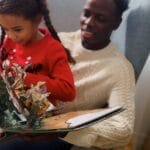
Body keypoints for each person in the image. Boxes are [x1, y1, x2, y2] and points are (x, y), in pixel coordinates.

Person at [0, 0, 135, 150]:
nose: (88, 22)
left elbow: (124, 130)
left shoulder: (120, 70)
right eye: (86, 14)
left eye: (101, 18)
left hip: (55, 134)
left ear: (117, 23)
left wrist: (64, 130)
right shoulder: (55, 39)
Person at [0, 0, 75, 107]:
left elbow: (68, 92)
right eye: (5, 29)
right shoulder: (8, 42)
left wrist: (25, 78)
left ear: (37, 20)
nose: (11, 36)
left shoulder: (52, 49)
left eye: (17, 30)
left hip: (40, 115)